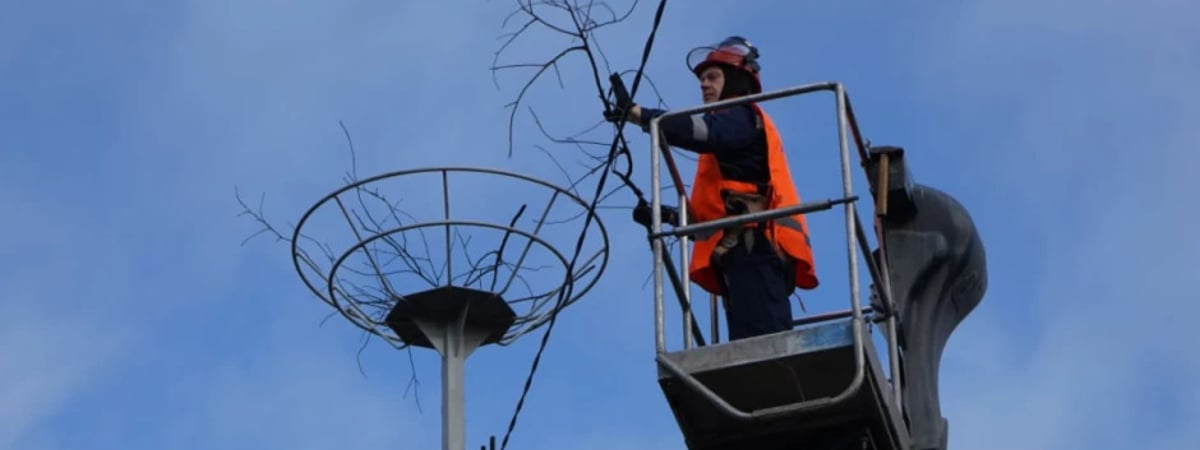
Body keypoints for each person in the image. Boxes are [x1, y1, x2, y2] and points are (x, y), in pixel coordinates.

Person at [608, 36, 820, 341]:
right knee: (750, 351)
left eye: (712, 77)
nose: (703, 85)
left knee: (767, 352)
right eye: (702, 79)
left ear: (735, 79)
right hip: (741, 259)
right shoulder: (730, 139)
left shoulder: (743, 118)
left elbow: (702, 133)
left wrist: (639, 114)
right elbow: (709, 222)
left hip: (755, 251)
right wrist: (665, 216)